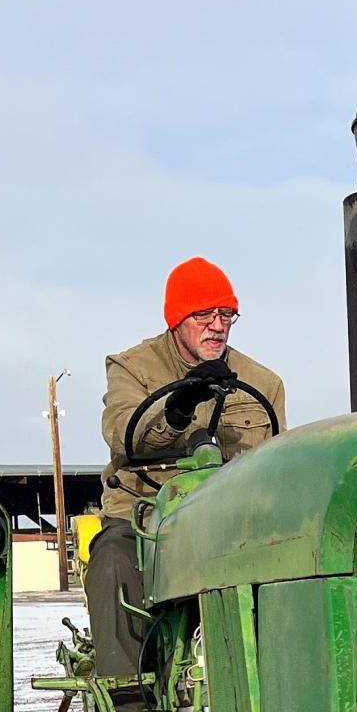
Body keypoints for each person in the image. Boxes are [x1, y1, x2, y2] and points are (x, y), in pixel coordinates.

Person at [87, 258, 286, 676]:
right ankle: (128, 700)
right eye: (204, 315)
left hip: (231, 519)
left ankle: (280, 678)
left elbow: (276, 464)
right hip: (147, 516)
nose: (217, 325)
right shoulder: (132, 368)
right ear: (177, 318)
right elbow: (122, 434)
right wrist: (175, 412)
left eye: (226, 314)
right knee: (112, 560)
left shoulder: (262, 383)